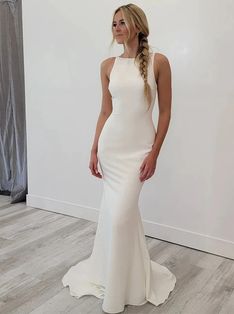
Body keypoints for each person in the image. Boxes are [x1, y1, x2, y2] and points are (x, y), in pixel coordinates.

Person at [62, 3, 176, 313]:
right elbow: (105, 111)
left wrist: (154, 153)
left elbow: (165, 112)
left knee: (122, 216)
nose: (116, 27)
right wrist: (94, 148)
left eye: (122, 22)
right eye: (113, 23)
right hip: (111, 149)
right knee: (117, 216)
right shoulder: (107, 65)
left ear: (138, 26)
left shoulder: (159, 62)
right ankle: (122, 276)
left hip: (139, 151)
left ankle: (125, 285)